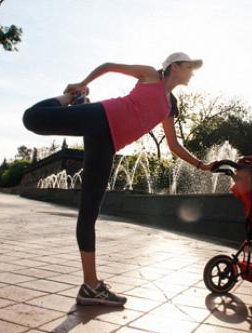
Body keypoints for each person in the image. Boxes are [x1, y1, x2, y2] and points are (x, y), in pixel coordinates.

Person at [22, 52, 215, 306]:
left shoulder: (171, 105)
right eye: (190, 67)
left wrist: (202, 165)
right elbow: (109, 66)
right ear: (175, 67)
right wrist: (81, 84)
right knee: (32, 118)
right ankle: (73, 98)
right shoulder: (150, 75)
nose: (192, 72)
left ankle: (90, 287)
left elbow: (173, 145)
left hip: (107, 144)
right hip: (101, 115)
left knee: (89, 212)